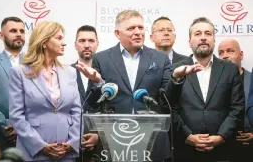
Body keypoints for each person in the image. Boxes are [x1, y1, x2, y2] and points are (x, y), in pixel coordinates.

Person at [76, 10, 201, 162]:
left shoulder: (160, 58)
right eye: (131, 29)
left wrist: (176, 78)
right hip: (114, 142)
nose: (138, 32)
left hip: (152, 141)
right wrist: (96, 82)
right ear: (117, 33)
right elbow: (92, 104)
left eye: (141, 28)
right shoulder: (102, 59)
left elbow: (167, 100)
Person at [172, 17, 245, 162]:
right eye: (198, 34)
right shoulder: (176, 69)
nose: (203, 37)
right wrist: (188, 136)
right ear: (189, 41)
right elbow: (170, 108)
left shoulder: (230, 69)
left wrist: (221, 137)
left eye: (208, 33)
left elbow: (237, 108)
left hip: (223, 151)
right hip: (186, 152)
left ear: (214, 40)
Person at [9, 21, 82, 162]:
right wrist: (41, 146)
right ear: (44, 42)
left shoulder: (71, 72)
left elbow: (77, 111)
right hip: (33, 153)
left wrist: (71, 143)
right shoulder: (19, 73)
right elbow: (16, 116)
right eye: (59, 38)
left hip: (66, 153)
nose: (64, 43)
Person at [218, 38, 253, 162]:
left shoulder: (251, 78)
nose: (225, 56)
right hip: (222, 148)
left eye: (230, 51)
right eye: (221, 53)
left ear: (241, 54)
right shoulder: (213, 83)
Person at [0, 16, 25, 151]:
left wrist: (25, 127)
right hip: (2, 139)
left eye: (22, 31)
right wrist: (6, 126)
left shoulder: (36, 64)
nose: (19, 34)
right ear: (1, 35)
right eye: (13, 31)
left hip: (33, 139)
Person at [71, 25, 100, 162]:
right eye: (82, 41)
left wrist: (100, 135)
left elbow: (113, 108)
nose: (87, 45)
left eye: (91, 41)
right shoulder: (64, 72)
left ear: (97, 45)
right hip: (69, 144)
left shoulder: (107, 73)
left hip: (100, 146)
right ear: (75, 45)